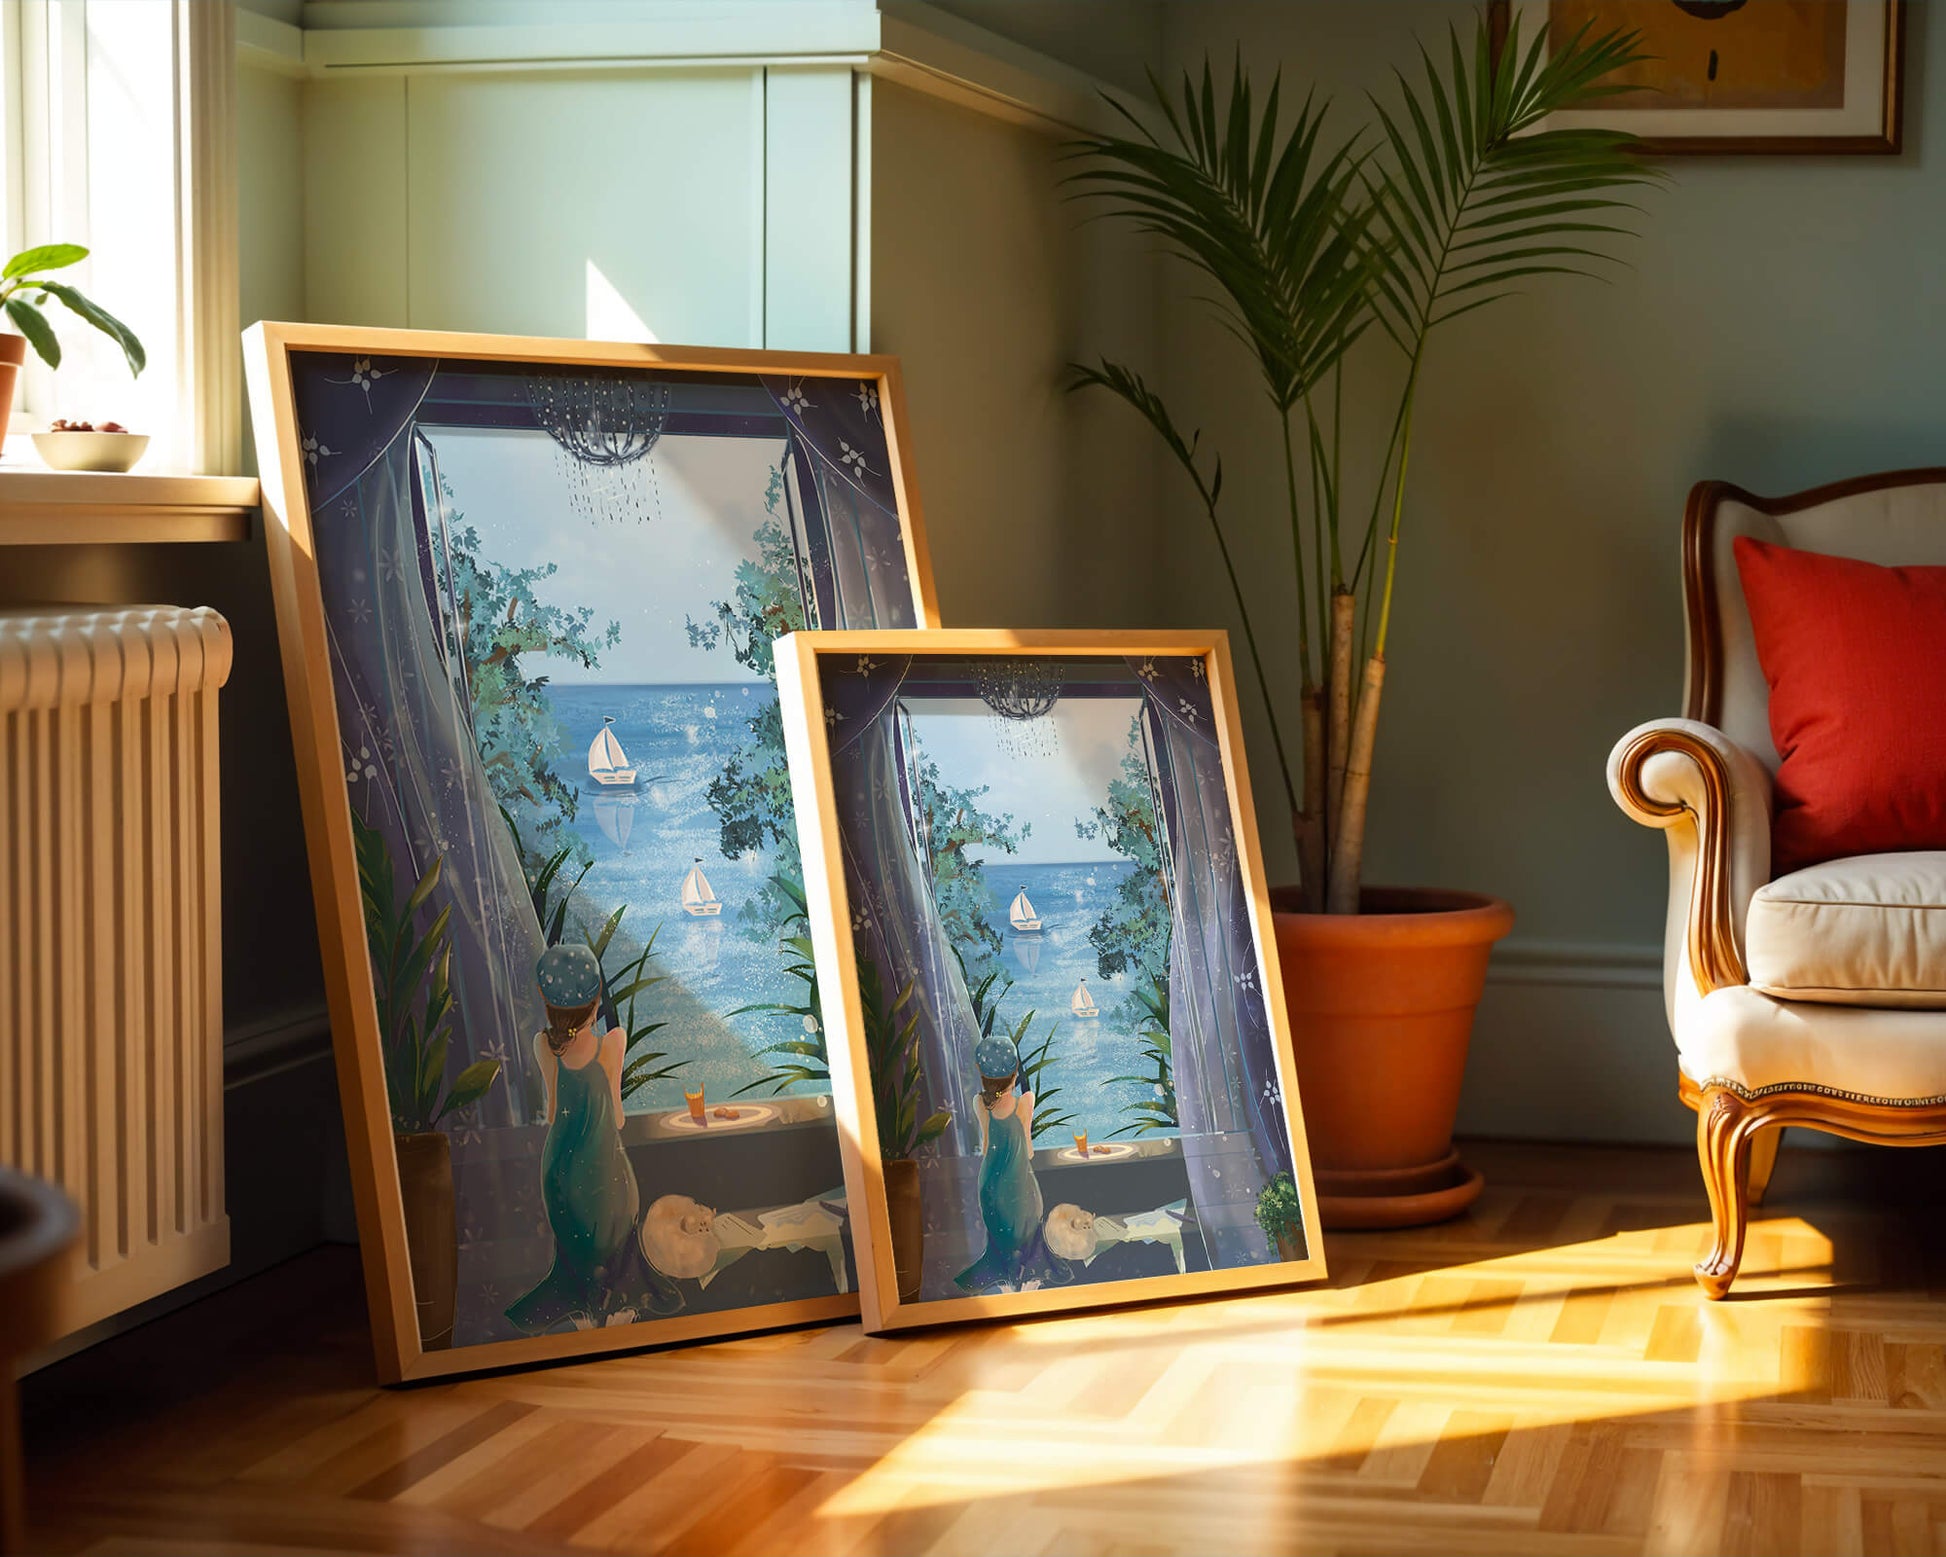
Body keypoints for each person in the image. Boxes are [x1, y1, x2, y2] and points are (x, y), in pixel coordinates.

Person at [505, 943, 681, 1333]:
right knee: (615, 1230)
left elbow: (552, 1114)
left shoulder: (542, 1047)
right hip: (604, 1169)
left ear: (543, 997)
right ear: (598, 997)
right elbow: (617, 1117)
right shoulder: (613, 1044)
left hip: (560, 1175)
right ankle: (616, 1304)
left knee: (576, 1244)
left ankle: (583, 1309)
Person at [954, 1032, 1071, 1293]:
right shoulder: (1025, 1103)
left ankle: (1005, 1283)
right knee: (1027, 1231)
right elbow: (1028, 1150)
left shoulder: (979, 1105)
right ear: (1016, 1072)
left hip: (991, 1188)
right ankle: (1027, 1282)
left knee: (1000, 1238)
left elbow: (986, 1147)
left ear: (979, 1071)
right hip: (1020, 1186)